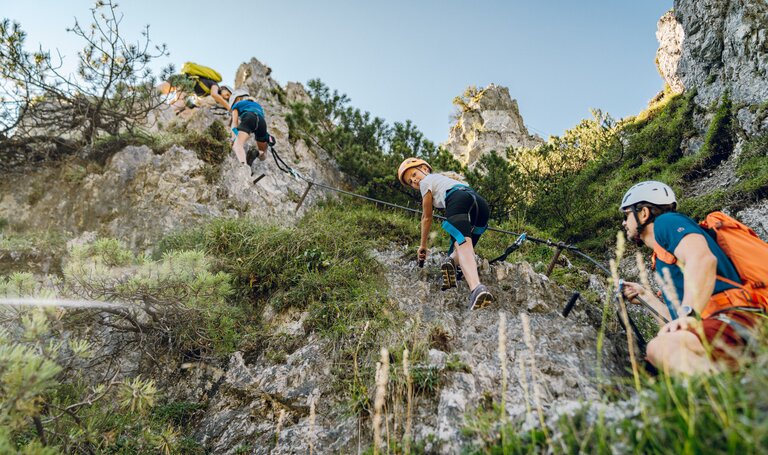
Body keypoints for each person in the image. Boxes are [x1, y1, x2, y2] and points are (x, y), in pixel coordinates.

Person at [619, 180, 764, 375]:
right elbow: (678, 322)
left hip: (733, 317)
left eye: (626, 215)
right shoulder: (663, 257)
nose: (623, 223)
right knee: (664, 349)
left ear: (643, 213)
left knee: (661, 348)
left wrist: (688, 315)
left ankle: (729, 391)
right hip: (723, 323)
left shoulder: (667, 222)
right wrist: (646, 297)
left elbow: (703, 259)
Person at [397, 158, 495, 310]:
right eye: (410, 181)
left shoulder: (425, 182)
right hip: (480, 204)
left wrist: (423, 245)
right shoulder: (446, 180)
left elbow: (427, 217)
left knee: (463, 245)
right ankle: (451, 262)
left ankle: (477, 288)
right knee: (465, 247)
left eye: (414, 174)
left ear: (425, 169)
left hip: (457, 199)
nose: (414, 180)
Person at [229, 88, 270, 168]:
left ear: (238, 98)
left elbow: (234, 123)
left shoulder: (237, 104)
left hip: (249, 118)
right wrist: (267, 137)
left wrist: (234, 138)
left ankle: (244, 168)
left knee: (237, 145)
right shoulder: (257, 105)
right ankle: (258, 153)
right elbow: (258, 119)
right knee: (263, 153)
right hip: (262, 122)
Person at [157, 75, 232, 111]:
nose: (225, 97)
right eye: (227, 94)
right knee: (179, 104)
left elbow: (200, 102)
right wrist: (229, 108)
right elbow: (214, 94)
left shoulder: (208, 93)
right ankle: (162, 112)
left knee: (155, 92)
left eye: (227, 98)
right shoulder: (215, 85)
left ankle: (161, 110)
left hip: (181, 79)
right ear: (223, 88)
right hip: (184, 83)